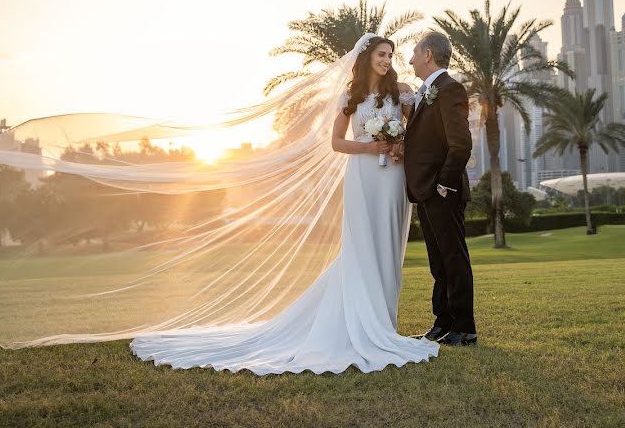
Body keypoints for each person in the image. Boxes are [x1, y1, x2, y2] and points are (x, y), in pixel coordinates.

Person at [127, 34, 439, 373]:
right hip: (363, 176)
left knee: (388, 247)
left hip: (391, 178)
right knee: (362, 247)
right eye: (381, 54)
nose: (387, 60)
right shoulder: (351, 95)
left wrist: (399, 147)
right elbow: (336, 143)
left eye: (390, 55)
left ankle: (383, 324)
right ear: (366, 58)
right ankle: (364, 323)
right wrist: (369, 148)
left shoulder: (403, 91)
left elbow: (416, 131)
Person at [403, 31, 477, 346]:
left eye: (414, 53)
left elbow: (460, 145)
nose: (410, 59)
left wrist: (443, 185)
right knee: (438, 260)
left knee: (453, 258)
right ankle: (442, 322)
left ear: (428, 55)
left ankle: (464, 327)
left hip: (442, 191)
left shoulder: (449, 89)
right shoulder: (426, 92)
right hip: (426, 191)